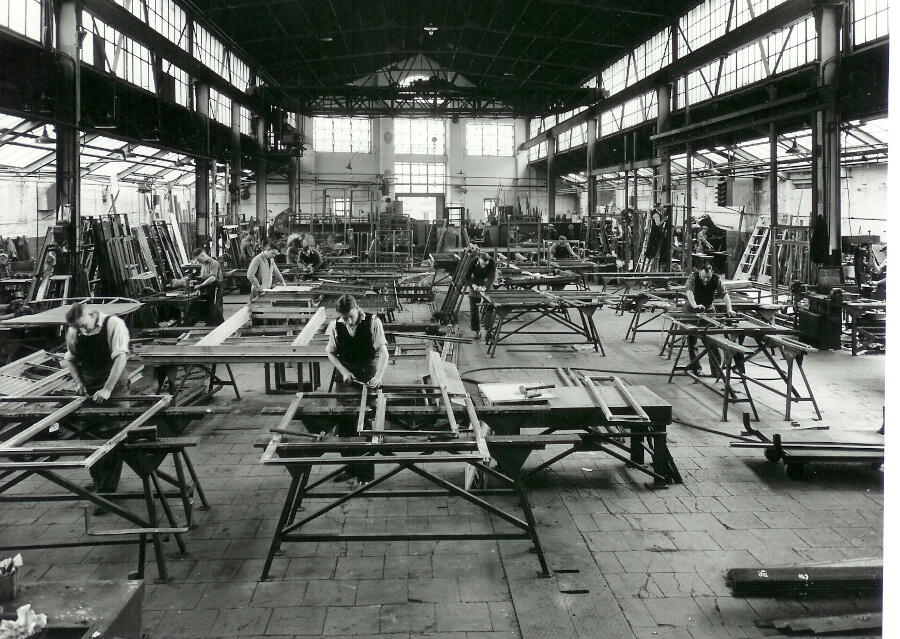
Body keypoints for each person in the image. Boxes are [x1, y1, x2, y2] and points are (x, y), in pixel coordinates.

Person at [62, 302, 131, 495]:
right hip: (90, 386)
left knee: (112, 433)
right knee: (89, 432)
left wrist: (108, 388)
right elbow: (70, 359)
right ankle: (98, 480)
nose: (82, 331)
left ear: (92, 315)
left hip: (114, 386)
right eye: (78, 328)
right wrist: (78, 382)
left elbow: (120, 358)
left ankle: (107, 490)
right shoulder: (74, 331)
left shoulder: (113, 324)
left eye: (84, 326)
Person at [325, 295, 390, 484]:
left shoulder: (373, 322)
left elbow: (384, 352)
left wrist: (378, 377)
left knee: (364, 425)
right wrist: (343, 371)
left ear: (357, 309)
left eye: (350, 317)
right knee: (344, 424)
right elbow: (330, 352)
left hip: (366, 374)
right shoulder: (336, 325)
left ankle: (365, 476)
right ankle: (350, 468)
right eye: (344, 318)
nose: (348, 321)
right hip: (346, 378)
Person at [683, 264, 735, 374]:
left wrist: (729, 309)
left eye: (708, 277)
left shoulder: (716, 278)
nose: (706, 280)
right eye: (704, 277)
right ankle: (696, 367)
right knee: (692, 338)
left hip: (708, 309)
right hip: (691, 309)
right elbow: (689, 291)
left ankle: (716, 370)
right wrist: (695, 305)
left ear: (712, 274)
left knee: (712, 339)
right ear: (700, 273)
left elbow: (724, 294)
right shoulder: (693, 277)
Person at [466, 249, 496, 339]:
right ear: (479, 259)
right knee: (474, 308)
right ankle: (477, 331)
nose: (483, 266)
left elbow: (491, 277)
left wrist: (485, 287)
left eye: (485, 265)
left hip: (486, 283)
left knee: (490, 307)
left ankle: (489, 331)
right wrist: (473, 285)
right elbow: (466, 277)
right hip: (475, 281)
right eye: (482, 264)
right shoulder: (473, 261)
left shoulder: (492, 262)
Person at [192, 247, 224, 326]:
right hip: (209, 287)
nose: (198, 261)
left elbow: (212, 278)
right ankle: (210, 324)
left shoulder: (214, 263)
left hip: (216, 288)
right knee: (208, 306)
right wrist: (194, 278)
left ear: (202, 255)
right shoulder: (203, 264)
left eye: (198, 259)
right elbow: (204, 276)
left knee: (215, 307)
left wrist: (200, 285)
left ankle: (220, 326)